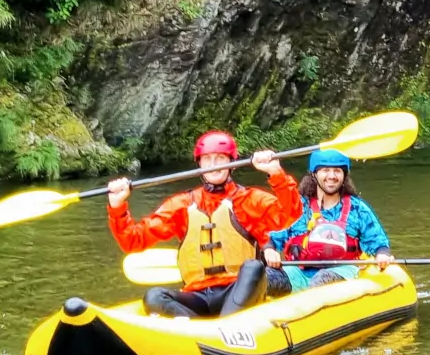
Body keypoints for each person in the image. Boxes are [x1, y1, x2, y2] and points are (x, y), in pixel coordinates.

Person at [111, 132, 302, 320]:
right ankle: (199, 332)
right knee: (154, 296)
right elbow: (133, 241)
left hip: (238, 289)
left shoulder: (248, 199)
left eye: (220, 158)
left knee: (254, 268)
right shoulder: (182, 205)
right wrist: (117, 206)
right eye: (207, 159)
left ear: (231, 164)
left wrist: (275, 173)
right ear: (199, 164)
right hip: (198, 296)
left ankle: (225, 329)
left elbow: (289, 214)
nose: (213, 165)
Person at [264, 148, 395, 287]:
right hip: (298, 273)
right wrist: (269, 250)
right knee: (264, 278)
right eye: (325, 170)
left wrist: (382, 255)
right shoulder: (298, 207)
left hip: (343, 271)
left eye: (337, 171)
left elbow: (378, 243)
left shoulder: (358, 209)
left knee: (321, 279)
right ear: (314, 174)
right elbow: (271, 237)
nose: (332, 176)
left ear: (344, 176)